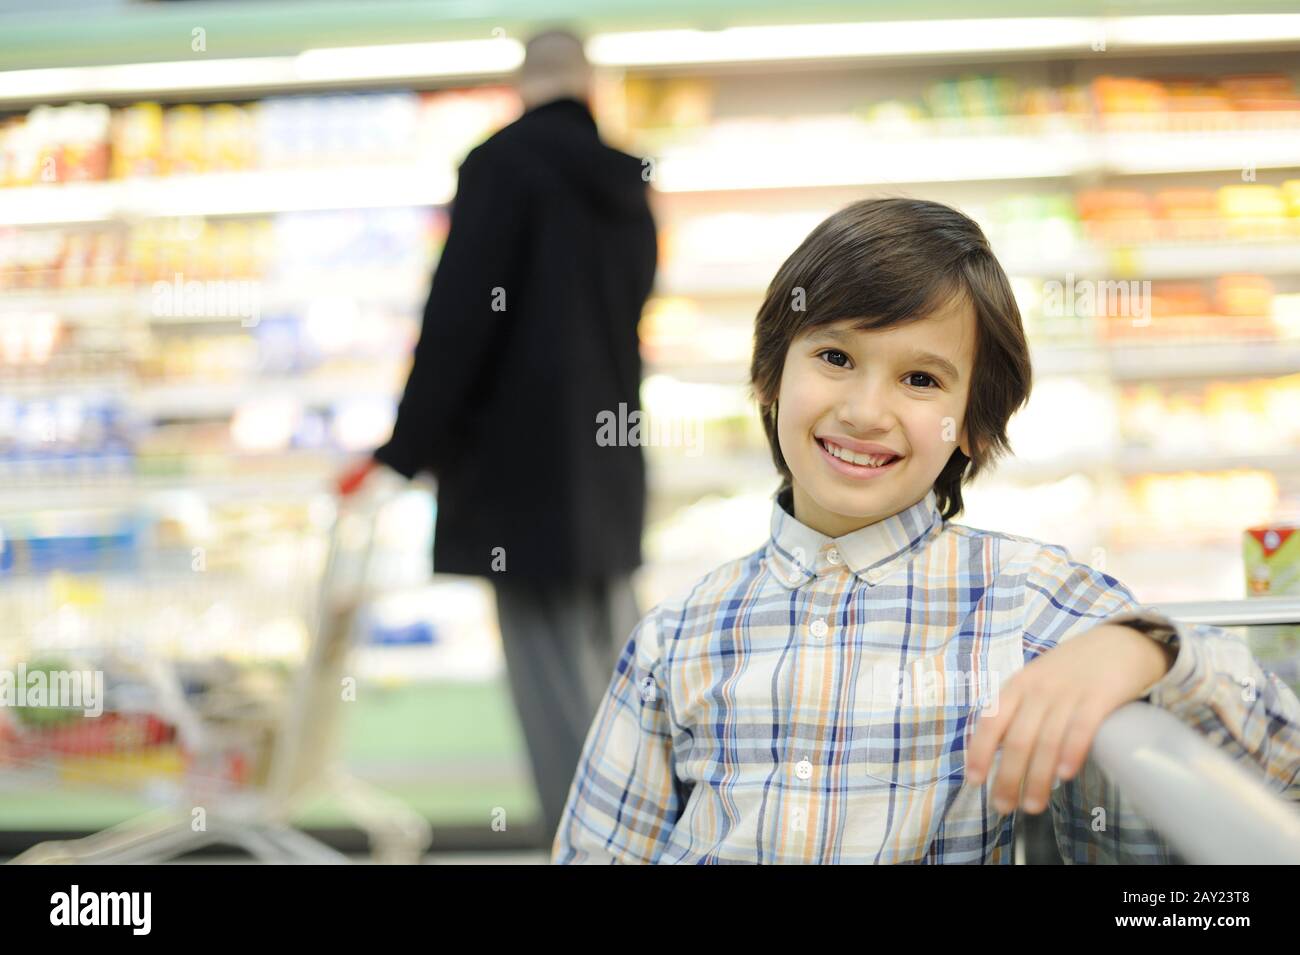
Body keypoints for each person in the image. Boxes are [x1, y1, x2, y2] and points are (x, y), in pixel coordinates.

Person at [552, 197, 1300, 864]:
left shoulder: (1031, 604)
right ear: (771, 376)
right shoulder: (677, 635)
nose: (865, 410)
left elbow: (1284, 756)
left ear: (973, 423)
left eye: (921, 379)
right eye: (836, 356)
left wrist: (1148, 647)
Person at [340, 29, 657, 846]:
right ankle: (647, 838)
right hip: (609, 466)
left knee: (552, 694)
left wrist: (403, 450)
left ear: (525, 86)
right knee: (619, 680)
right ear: (591, 88)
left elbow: (457, 325)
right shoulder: (628, 181)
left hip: (524, 479)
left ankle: (589, 850)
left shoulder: (500, 166)